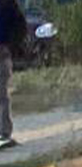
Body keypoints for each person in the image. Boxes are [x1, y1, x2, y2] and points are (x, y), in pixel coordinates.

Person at [0, 0, 22, 149]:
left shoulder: (8, 4)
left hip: (2, 54)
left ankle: (4, 133)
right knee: (2, 95)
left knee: (2, 94)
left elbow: (20, 27)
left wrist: (10, 46)